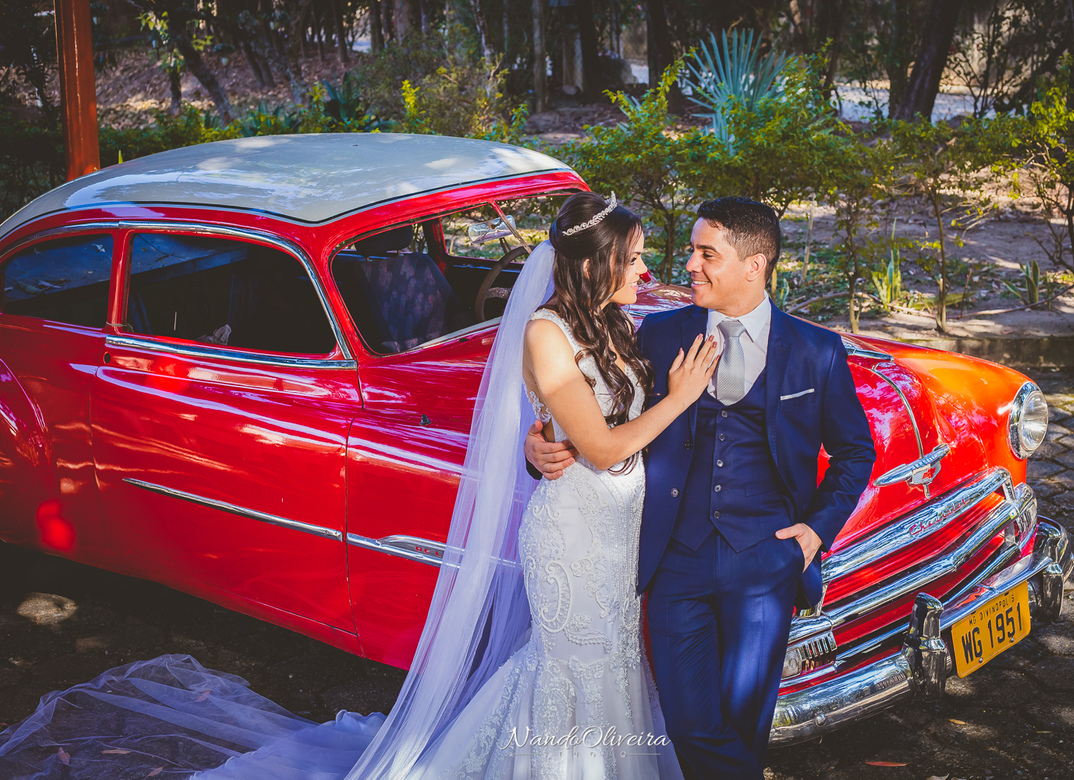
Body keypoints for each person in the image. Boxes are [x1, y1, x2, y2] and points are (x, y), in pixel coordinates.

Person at [0, 192, 712, 780]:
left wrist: (538, 438)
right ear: (596, 262)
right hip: (577, 531)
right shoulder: (546, 331)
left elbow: (583, 419)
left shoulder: (614, 319)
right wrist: (654, 406)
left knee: (606, 663)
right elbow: (596, 441)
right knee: (573, 663)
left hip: (611, 529)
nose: (647, 268)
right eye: (635, 256)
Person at [526, 197, 876, 779]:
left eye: (706, 254)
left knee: (743, 725)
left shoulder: (817, 352)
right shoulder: (657, 334)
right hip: (674, 559)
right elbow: (595, 412)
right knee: (688, 725)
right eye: (692, 251)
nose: (689, 264)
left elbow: (855, 452)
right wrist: (539, 448)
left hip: (766, 560)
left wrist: (816, 531)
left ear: (754, 265)